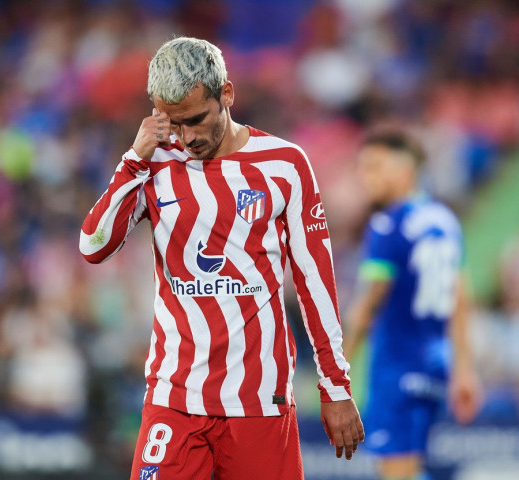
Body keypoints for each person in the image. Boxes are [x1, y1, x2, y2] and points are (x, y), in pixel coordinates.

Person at [80, 37, 363, 480]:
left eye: (196, 120)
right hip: (175, 396)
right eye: (174, 124)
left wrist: (335, 385)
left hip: (259, 399)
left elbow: (316, 282)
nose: (187, 137)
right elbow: (93, 246)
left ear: (226, 93)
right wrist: (134, 160)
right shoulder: (154, 164)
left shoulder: (284, 165)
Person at [344, 127, 481, 480]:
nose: (366, 177)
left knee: (396, 473)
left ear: (405, 170)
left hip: (397, 367)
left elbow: (367, 305)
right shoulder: (446, 220)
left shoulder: (388, 224)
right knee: (411, 468)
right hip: (436, 366)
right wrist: (464, 369)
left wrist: (336, 371)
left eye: (375, 167)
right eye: (363, 167)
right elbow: (460, 299)